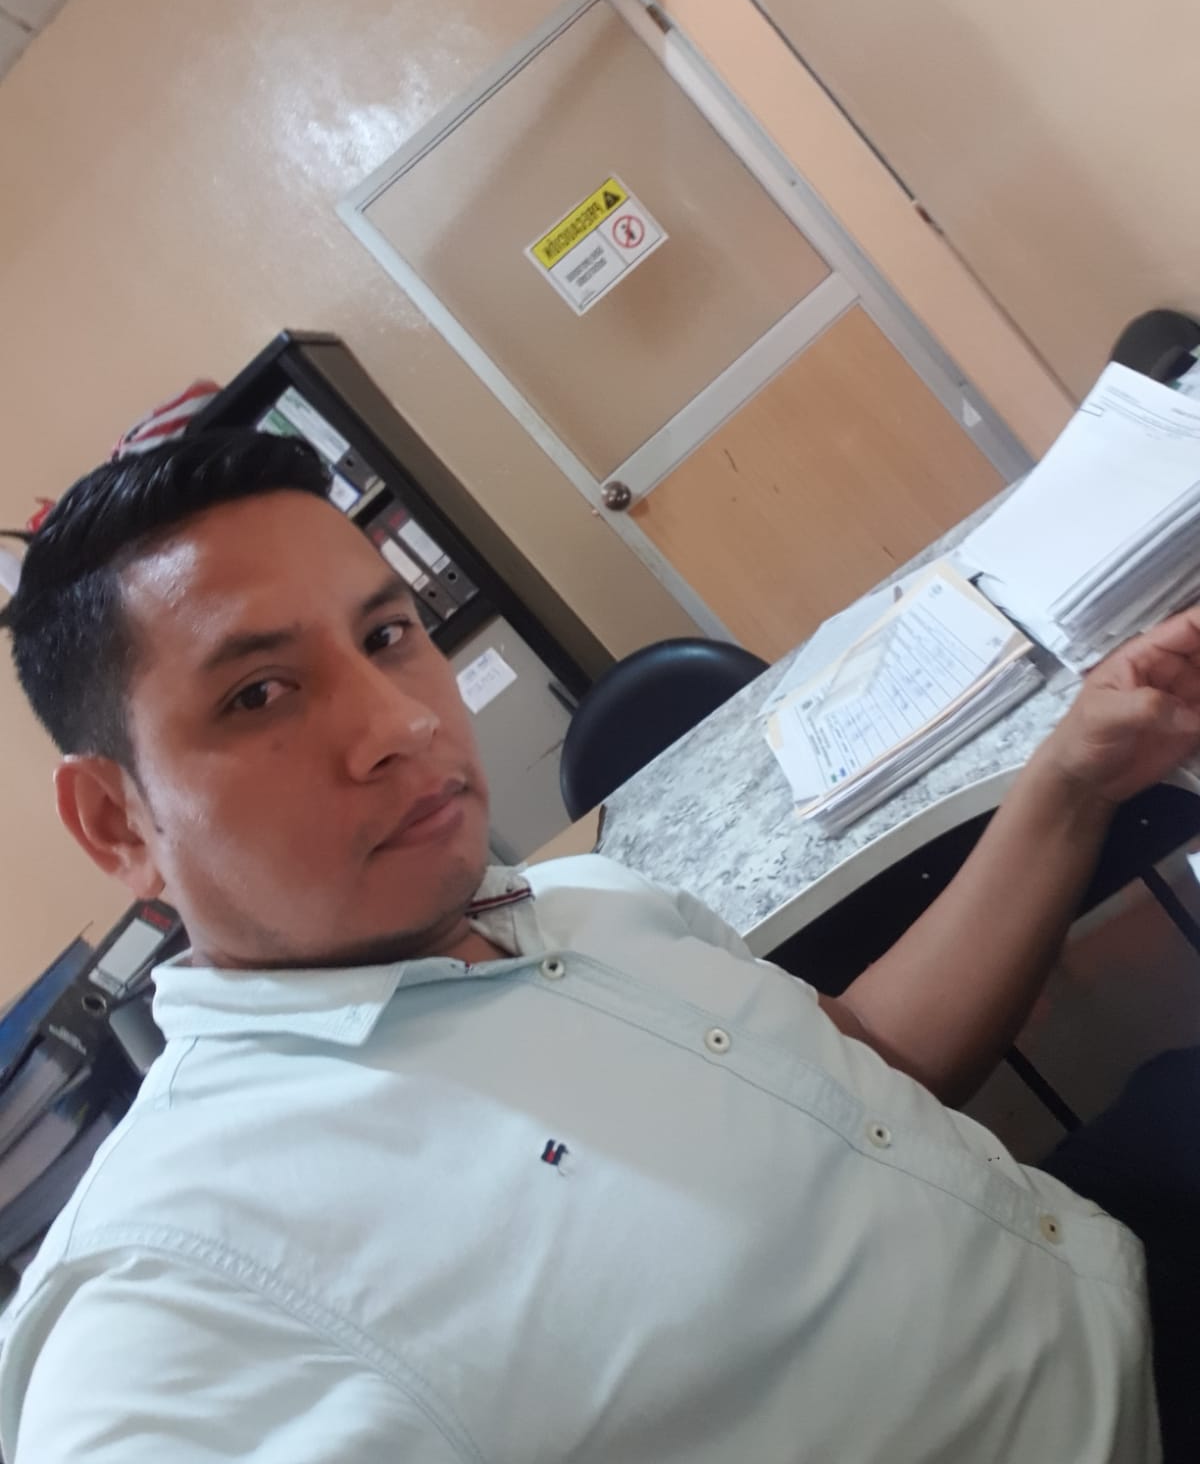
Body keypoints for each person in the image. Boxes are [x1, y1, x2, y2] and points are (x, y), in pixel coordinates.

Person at [0, 430, 1197, 1464]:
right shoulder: (180, 1275)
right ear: (118, 822)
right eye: (260, 693)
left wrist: (1071, 781)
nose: (401, 722)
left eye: (387, 633)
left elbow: (868, 1072)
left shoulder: (584, 901)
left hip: (1112, 1279)